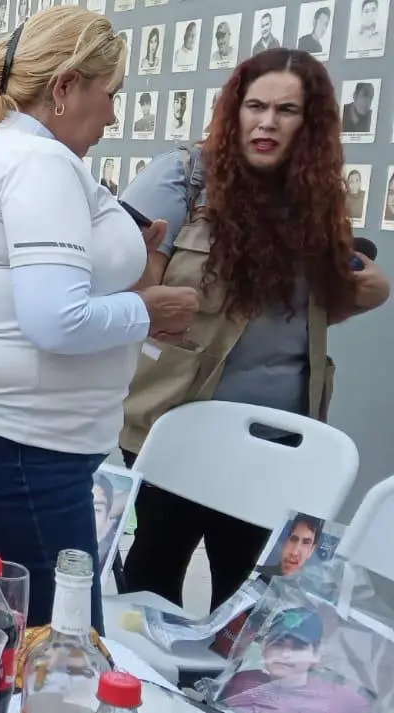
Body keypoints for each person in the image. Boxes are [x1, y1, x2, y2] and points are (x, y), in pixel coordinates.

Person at [0, 5, 197, 632]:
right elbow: (54, 319)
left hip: (14, 441)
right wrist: (144, 310)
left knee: (5, 640)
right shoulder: (38, 163)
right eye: (110, 95)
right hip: (26, 449)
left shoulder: (16, 153)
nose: (113, 114)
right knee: (58, 661)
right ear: (67, 86)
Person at [118, 49, 389, 612]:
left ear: (309, 122)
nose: (266, 122)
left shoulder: (319, 201)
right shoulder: (183, 177)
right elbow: (128, 293)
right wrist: (146, 288)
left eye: (286, 110)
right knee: (151, 581)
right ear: (233, 111)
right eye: (255, 106)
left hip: (283, 438)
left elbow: (309, 316)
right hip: (181, 423)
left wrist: (368, 292)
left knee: (251, 601)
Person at [219, 608, 374, 713]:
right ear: (264, 645)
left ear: (316, 654)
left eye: (299, 646)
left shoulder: (343, 700)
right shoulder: (241, 682)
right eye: (278, 643)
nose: (286, 653)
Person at [255, 513, 322, 579]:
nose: (294, 552)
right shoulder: (257, 572)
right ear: (285, 541)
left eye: (306, 542)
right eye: (293, 539)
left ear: (311, 550)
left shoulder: (312, 587)